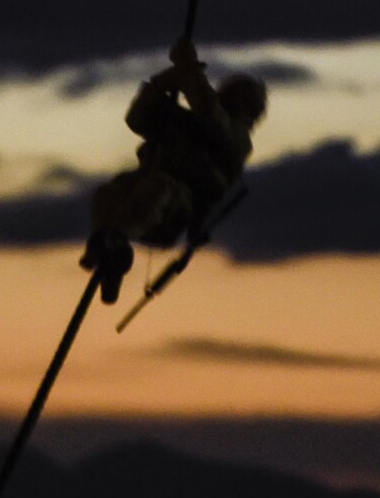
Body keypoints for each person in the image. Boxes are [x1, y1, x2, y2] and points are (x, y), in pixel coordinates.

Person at [81, 36, 267, 303]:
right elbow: (138, 118)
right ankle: (108, 255)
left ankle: (117, 239)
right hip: (139, 198)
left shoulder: (236, 142)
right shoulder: (186, 121)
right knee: (107, 194)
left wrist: (188, 70)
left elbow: (213, 117)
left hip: (172, 211)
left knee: (160, 188)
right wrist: (162, 85)